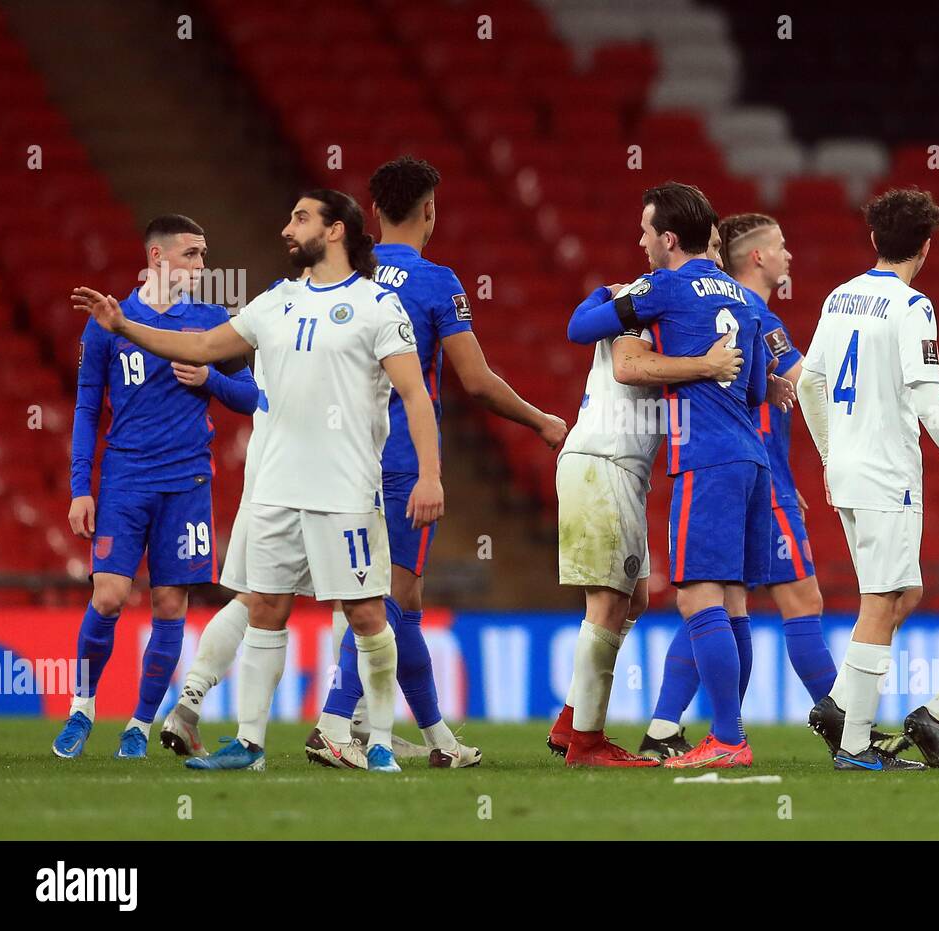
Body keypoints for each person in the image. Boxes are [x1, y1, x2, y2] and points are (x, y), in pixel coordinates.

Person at [72, 189, 442, 773]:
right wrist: (125, 326)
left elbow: (416, 395)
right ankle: (249, 744)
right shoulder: (276, 301)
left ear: (337, 230)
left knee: (368, 613)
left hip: (344, 488)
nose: (286, 230)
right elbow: (199, 346)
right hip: (273, 489)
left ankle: (375, 742)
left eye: (300, 218)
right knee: (265, 605)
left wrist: (430, 474)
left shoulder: (377, 305)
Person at [308, 156, 567, 769]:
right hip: (399, 460)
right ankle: (333, 723)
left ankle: (436, 739)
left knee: (405, 600)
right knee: (391, 597)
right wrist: (541, 420)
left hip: (339, 456)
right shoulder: (436, 282)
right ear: (430, 210)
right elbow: (474, 380)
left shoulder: (342, 275)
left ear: (373, 211)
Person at [567, 182, 788, 769]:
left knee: (695, 598)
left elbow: (581, 328)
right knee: (734, 602)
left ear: (667, 238)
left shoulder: (664, 286)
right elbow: (759, 385)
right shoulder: (742, 296)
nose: (641, 243)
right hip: (753, 458)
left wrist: (608, 293)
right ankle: (728, 734)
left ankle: (728, 739)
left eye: (645, 232)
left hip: (706, 458)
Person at [797, 188, 939, 772]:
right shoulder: (914, 307)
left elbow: (809, 384)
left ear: (875, 240)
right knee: (883, 601)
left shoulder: (839, 298)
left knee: (904, 594)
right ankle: (854, 744)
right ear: (926, 248)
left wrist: (831, 457)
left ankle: (837, 707)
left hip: (851, 471)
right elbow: (928, 400)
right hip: (888, 476)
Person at [52, 215, 257, 760]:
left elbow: (253, 396)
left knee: (170, 604)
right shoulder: (109, 321)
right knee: (110, 594)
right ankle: (82, 707)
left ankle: (139, 726)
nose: (201, 265)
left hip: (188, 480)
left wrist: (210, 378)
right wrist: (81, 487)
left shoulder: (213, 322)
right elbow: (87, 405)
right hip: (125, 477)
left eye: (204, 254)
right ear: (158, 258)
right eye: (192, 254)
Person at [637, 213, 840, 759]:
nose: (788, 255)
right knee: (786, 599)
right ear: (756, 256)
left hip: (745, 471)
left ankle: (668, 726)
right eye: (780, 245)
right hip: (751, 475)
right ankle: (845, 728)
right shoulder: (760, 318)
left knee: (718, 599)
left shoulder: (709, 307)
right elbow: (810, 386)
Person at [548, 224, 745, 767]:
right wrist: (705, 365)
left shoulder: (665, 301)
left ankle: (571, 721)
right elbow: (628, 365)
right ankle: (585, 744)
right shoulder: (650, 298)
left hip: (623, 469)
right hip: (601, 461)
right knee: (608, 601)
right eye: (711, 252)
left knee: (631, 598)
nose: (716, 268)